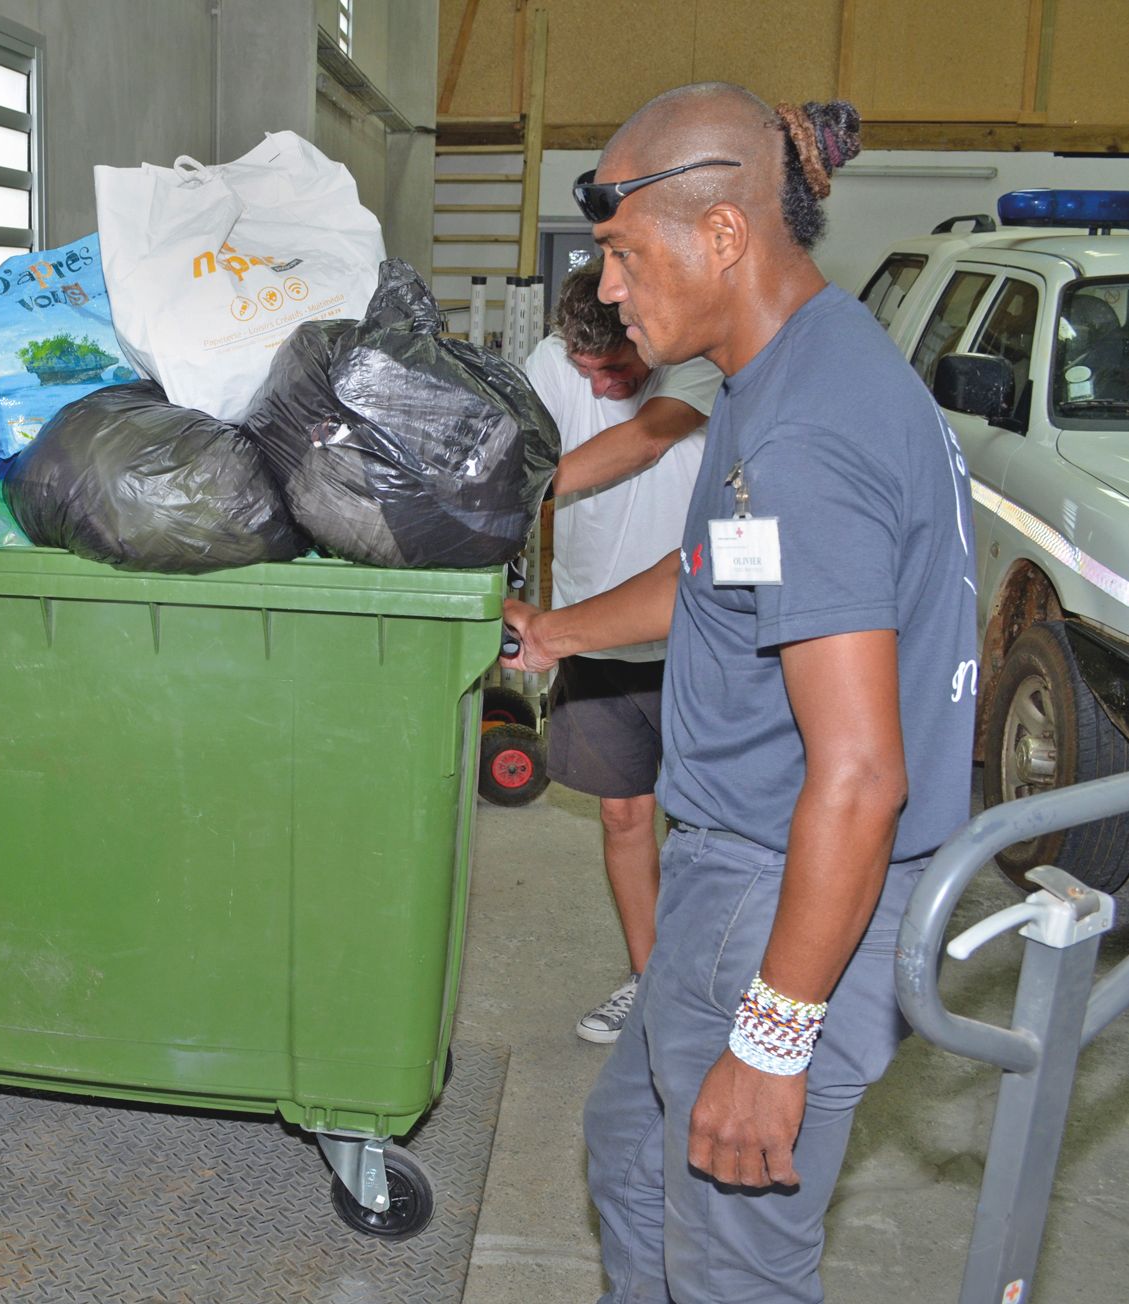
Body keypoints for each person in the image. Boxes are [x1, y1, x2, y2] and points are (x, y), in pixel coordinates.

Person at [502, 84, 977, 1302]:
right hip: (740, 878)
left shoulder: (807, 434)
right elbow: (719, 572)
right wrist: (556, 631)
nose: (605, 288)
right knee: (628, 1149)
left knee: (732, 1263)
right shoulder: (785, 373)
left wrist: (774, 1036)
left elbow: (862, 775)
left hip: (789, 888)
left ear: (722, 235)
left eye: (619, 253)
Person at [523, 262, 721, 1045]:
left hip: (699, 633)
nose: (600, 386)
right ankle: (649, 983)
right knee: (622, 813)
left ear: (647, 331)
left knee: (710, 825)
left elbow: (644, 438)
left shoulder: (697, 357)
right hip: (591, 627)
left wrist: (525, 491)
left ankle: (712, 985)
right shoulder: (551, 361)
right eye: (584, 368)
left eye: (615, 368)